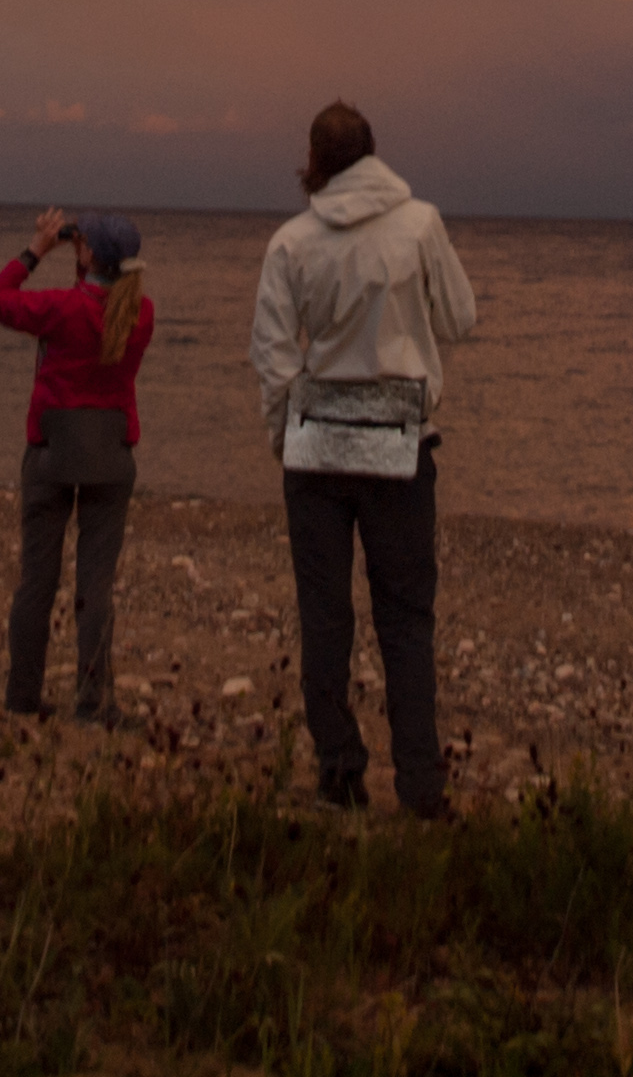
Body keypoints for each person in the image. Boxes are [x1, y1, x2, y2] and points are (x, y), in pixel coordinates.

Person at [249, 100, 474, 818]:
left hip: (317, 437)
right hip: (398, 436)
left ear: (313, 162)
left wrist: (285, 436)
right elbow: (460, 317)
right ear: (373, 153)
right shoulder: (421, 225)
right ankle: (420, 786)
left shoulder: (291, 242)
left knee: (324, 616)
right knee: (405, 620)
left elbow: (273, 355)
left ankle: (340, 773)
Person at [0, 205, 154, 724]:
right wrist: (83, 256)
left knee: (38, 580)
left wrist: (37, 249)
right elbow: (100, 301)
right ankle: (94, 701)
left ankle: (23, 694)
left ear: (89, 253)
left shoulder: (62, 308)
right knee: (95, 586)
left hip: (51, 452)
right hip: (110, 454)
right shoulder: (140, 312)